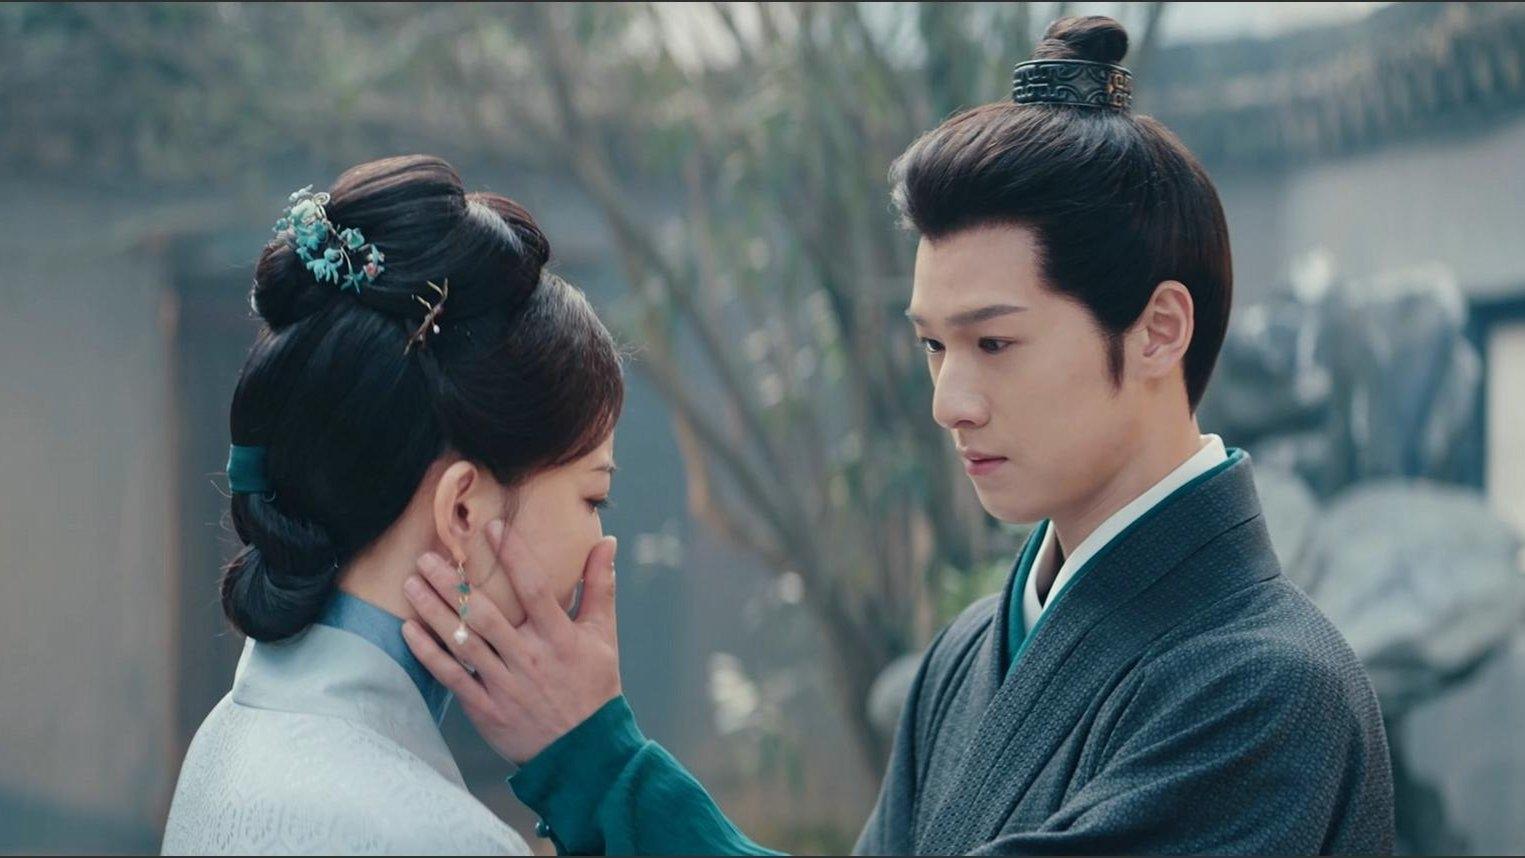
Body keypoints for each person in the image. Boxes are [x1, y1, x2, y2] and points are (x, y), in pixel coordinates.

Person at [400, 16, 1396, 856]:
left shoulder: (1266, 692)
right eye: (932, 346)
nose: (949, 400)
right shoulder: (962, 660)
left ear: (1158, 331)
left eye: (993, 343)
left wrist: (601, 765)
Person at [161, 154, 626, 855]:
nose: (599, 548)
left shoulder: (226, 736)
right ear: (462, 511)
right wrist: (603, 771)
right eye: (594, 497)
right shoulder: (441, 838)